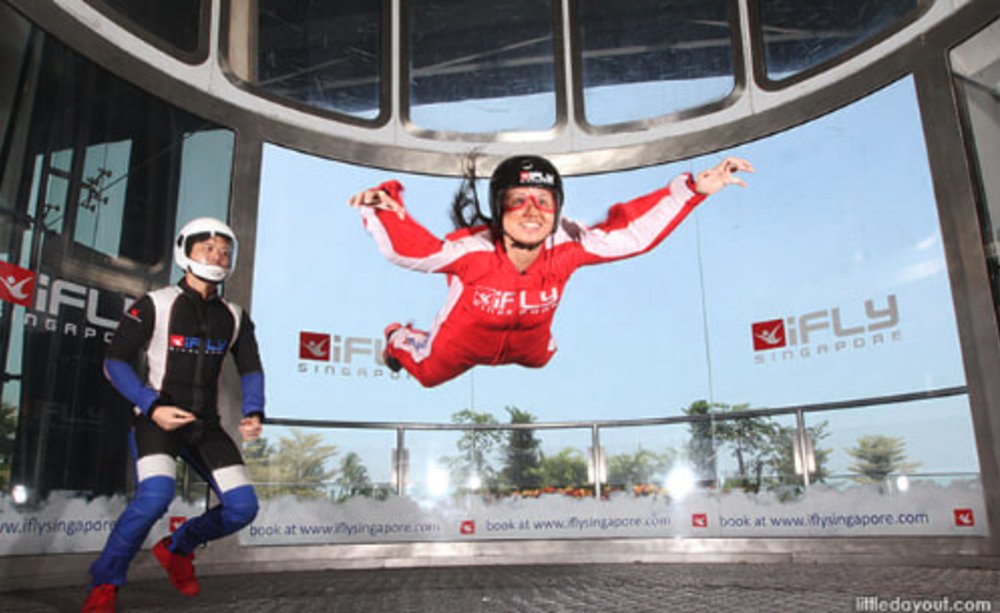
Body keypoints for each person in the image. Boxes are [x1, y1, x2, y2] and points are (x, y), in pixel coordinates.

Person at [349, 155, 753, 388]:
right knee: (428, 375)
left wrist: (693, 190)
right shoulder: (472, 252)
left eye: (543, 201)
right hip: (461, 345)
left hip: (530, 345)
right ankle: (398, 337)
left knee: (543, 357)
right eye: (518, 199)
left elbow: (632, 235)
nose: (531, 211)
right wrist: (380, 203)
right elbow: (407, 248)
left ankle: (535, 344)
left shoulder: (568, 247)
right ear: (498, 206)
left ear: (557, 208)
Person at [82, 217, 266, 612]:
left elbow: (251, 368)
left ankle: (178, 548)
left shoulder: (234, 315)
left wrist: (253, 411)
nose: (217, 256)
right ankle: (105, 584)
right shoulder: (155, 303)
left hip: (206, 427)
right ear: (187, 252)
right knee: (154, 498)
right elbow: (114, 363)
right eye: (208, 248)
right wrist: (153, 406)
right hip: (155, 422)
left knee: (243, 507)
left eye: (224, 251)